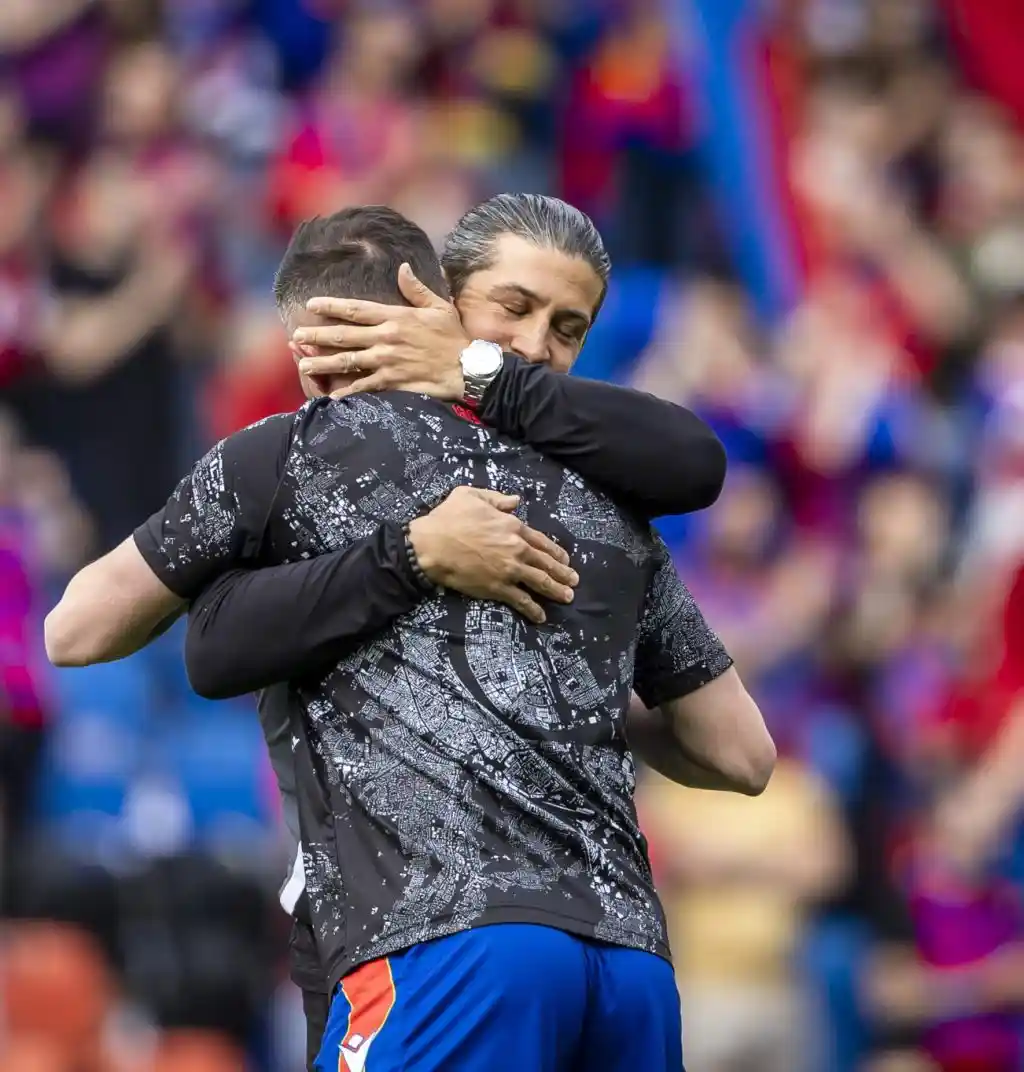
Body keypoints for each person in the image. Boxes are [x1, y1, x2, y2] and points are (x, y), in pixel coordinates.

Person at [46, 203, 774, 1070]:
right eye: (514, 308)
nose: (534, 346)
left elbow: (82, 629)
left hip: (445, 946)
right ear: (434, 298)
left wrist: (414, 548)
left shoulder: (297, 454)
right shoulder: (612, 501)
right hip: (630, 964)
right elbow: (741, 751)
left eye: (568, 329)